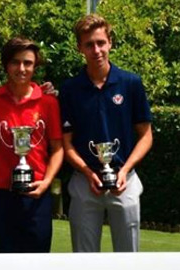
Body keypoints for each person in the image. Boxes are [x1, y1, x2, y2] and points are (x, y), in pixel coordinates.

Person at [59, 14, 153, 252]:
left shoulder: (130, 83)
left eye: (101, 42)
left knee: (128, 260)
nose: (96, 50)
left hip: (125, 181)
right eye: (89, 44)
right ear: (80, 47)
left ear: (110, 42)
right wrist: (87, 171)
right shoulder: (70, 89)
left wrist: (123, 170)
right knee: (84, 261)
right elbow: (66, 143)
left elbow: (146, 135)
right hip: (84, 183)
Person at [0, 37, 63, 253]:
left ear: (35, 66)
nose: (22, 68)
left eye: (28, 63)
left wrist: (46, 182)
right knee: (1, 260)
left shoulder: (49, 103)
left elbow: (57, 149)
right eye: (16, 62)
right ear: (6, 64)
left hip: (37, 194)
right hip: (0, 194)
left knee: (37, 263)